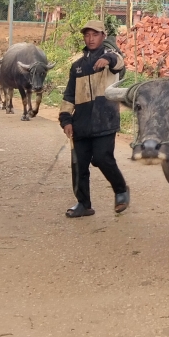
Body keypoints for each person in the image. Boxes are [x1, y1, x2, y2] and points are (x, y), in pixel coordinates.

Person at [58, 19, 129, 218]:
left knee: (101, 159)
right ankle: (83, 204)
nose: (90, 39)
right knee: (79, 164)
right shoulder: (77, 66)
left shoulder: (111, 60)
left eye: (95, 34)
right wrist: (66, 119)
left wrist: (108, 59)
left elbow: (119, 63)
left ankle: (121, 191)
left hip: (105, 121)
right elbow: (69, 96)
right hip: (81, 124)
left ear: (103, 36)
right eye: (87, 35)